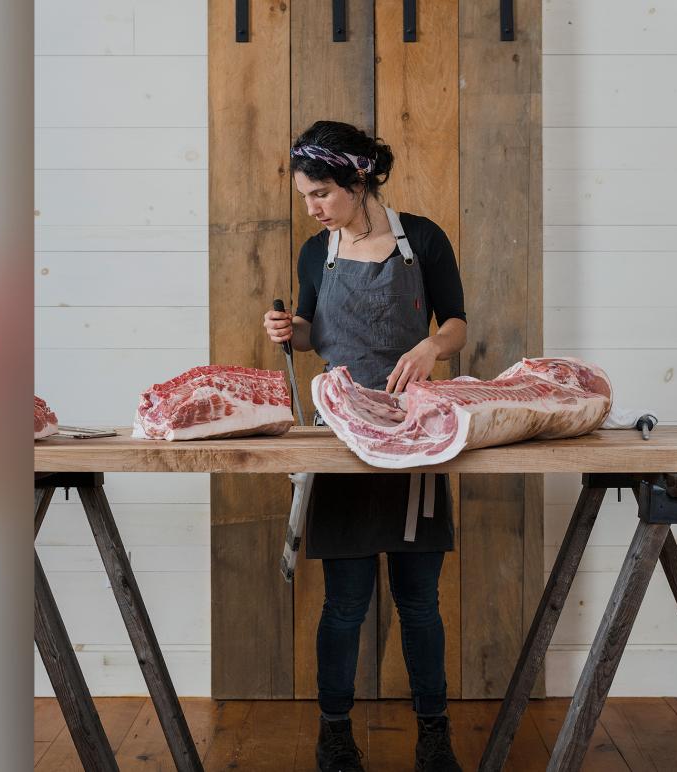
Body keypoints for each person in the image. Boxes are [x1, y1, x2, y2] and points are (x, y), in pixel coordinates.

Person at [263, 121, 468, 772]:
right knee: (345, 602)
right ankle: (334, 734)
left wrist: (431, 346)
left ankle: (434, 735)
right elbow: (310, 334)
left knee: (419, 601)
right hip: (341, 441)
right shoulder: (315, 253)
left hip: (414, 435)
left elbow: (456, 323)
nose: (312, 208)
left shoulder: (423, 240)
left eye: (321, 193)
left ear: (357, 181)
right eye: (305, 197)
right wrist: (287, 328)